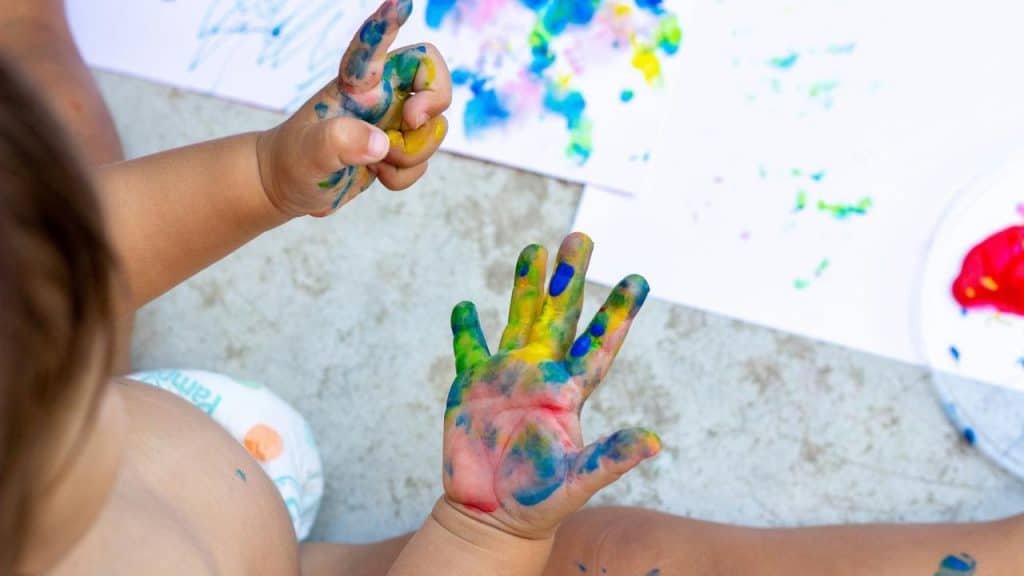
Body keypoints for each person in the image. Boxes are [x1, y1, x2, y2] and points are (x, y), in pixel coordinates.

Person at [1, 1, 1022, 575]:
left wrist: (268, 174)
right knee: (624, 558)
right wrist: (483, 530)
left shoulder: (39, 389)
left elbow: (91, 251)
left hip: (183, 482)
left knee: (50, 184)